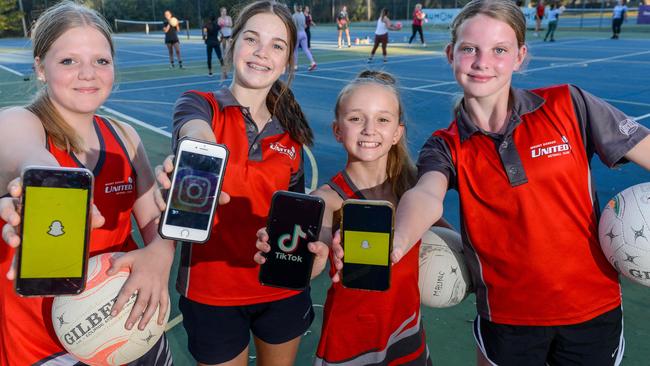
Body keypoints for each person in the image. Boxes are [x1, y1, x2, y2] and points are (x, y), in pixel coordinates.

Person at [390, 0, 650, 365]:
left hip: (592, 311)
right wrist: (399, 240)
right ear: (450, 54)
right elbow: (427, 194)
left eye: (499, 50)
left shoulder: (568, 104)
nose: (483, 62)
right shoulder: (445, 144)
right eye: (469, 49)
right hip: (507, 319)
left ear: (520, 56)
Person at [0, 2, 176, 365]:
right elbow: (27, 155)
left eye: (101, 61)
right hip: (42, 346)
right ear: (40, 68)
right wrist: (53, 185)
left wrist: (161, 253)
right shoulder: (18, 121)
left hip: (130, 325)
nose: (88, 73)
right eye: (68, 61)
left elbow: (152, 224)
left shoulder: (124, 136)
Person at [155, 1, 315, 365]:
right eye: (252, 39)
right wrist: (202, 153)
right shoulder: (200, 104)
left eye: (277, 45)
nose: (262, 53)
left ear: (288, 60)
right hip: (212, 294)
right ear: (231, 43)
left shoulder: (291, 134)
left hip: (280, 287)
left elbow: (295, 211)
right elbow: (194, 133)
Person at [254, 69, 440, 365]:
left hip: (407, 333)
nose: (369, 129)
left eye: (382, 119)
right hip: (351, 344)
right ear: (337, 130)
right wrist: (302, 257)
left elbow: (444, 234)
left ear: (397, 133)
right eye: (356, 118)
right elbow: (316, 250)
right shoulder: (326, 200)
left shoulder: (412, 188)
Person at [293, 4, 317, 71]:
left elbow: (294, 26)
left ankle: (295, 66)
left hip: (298, 33)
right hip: (304, 33)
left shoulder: (294, 16)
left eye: (294, 7)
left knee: (295, 50)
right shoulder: (302, 15)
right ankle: (313, 62)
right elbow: (305, 26)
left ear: (295, 8)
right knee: (306, 49)